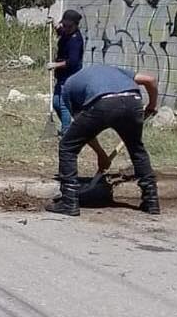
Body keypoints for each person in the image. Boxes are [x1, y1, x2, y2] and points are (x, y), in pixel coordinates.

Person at [47, 64, 160, 218]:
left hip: (102, 103)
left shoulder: (68, 87)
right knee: (136, 149)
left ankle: (69, 201)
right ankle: (151, 201)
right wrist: (152, 104)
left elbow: (83, 131)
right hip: (133, 100)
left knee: (68, 146)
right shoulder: (115, 71)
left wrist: (100, 153)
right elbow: (151, 80)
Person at [47, 9, 85, 133]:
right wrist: (54, 24)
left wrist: (55, 65)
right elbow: (60, 31)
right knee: (56, 103)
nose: (66, 28)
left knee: (63, 104)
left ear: (75, 25)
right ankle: (68, 128)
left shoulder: (75, 40)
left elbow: (72, 62)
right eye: (64, 24)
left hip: (71, 76)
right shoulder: (66, 32)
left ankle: (66, 132)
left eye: (69, 26)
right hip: (62, 76)